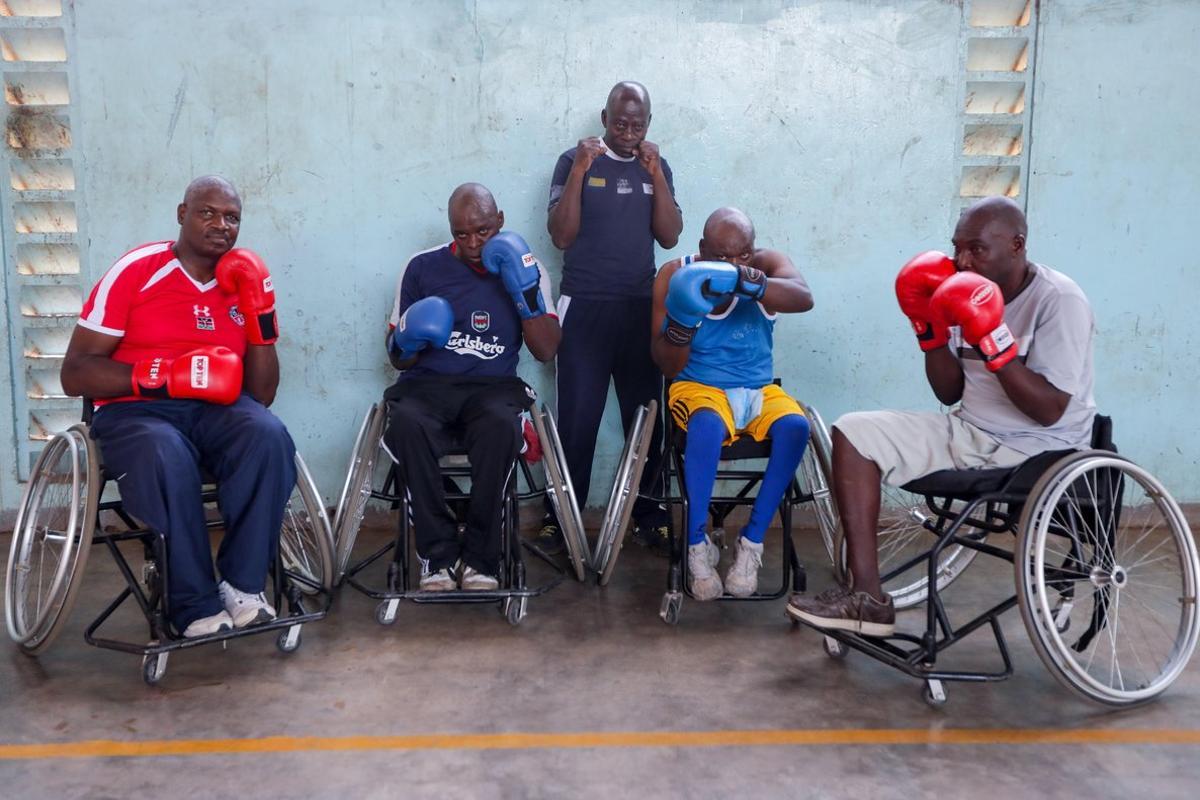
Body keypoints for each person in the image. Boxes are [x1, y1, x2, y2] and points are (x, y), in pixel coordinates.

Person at [787, 196, 1096, 636]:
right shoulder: (962, 288)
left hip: (1038, 451)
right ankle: (868, 598)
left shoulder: (1059, 300)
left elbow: (1049, 411)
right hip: (969, 431)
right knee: (854, 431)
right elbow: (948, 390)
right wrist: (927, 327)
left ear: (1017, 244)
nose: (962, 260)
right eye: (957, 247)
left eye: (976, 249)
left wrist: (993, 341)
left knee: (1023, 422)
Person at [59, 176, 295, 639]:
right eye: (208, 212)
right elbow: (75, 372)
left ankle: (243, 587)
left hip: (215, 411)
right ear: (182, 214)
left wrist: (259, 317)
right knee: (165, 451)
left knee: (268, 434)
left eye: (232, 218)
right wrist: (157, 376)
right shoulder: (137, 269)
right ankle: (193, 602)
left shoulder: (242, 279)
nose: (221, 225)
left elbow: (262, 394)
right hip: (137, 412)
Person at [382, 183, 560, 591]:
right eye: (462, 234)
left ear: (500, 221)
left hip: (493, 388)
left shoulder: (527, 266)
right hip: (428, 387)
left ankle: (482, 557)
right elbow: (396, 357)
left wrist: (523, 292)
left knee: (501, 427)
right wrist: (409, 339)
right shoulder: (421, 267)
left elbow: (547, 350)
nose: (474, 242)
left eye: (482, 230)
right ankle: (437, 557)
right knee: (407, 425)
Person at [543, 80, 684, 555]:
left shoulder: (655, 166)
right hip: (583, 307)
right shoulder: (573, 160)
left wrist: (657, 177)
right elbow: (561, 237)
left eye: (637, 124)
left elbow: (669, 237)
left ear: (648, 124)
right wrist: (582, 170)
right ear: (604, 119)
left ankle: (648, 513)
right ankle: (563, 515)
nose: (627, 132)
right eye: (619, 122)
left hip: (640, 308)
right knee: (577, 421)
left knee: (646, 421)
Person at [651, 208, 814, 599]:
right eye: (722, 257)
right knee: (706, 426)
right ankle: (696, 545)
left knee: (796, 427)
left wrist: (749, 280)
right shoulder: (675, 274)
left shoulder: (766, 265)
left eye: (743, 255)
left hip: (757, 389)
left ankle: (751, 543)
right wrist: (683, 320)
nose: (734, 264)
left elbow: (804, 298)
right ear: (702, 249)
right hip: (698, 388)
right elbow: (664, 362)